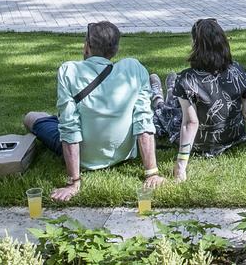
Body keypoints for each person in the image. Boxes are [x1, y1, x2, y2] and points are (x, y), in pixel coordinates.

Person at [24, 21, 164, 199]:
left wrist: (73, 182)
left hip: (85, 158)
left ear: (87, 46)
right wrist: (152, 173)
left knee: (31, 117)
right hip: (123, 154)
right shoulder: (134, 69)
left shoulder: (69, 71)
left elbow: (69, 128)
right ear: (116, 50)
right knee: (60, 120)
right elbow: (143, 120)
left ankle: (52, 120)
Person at [151, 19, 246, 181]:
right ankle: (171, 92)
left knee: (166, 114)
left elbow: (190, 123)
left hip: (200, 143)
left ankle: (160, 99)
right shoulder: (238, 71)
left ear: (196, 44)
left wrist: (180, 167)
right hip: (233, 138)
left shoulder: (187, 78)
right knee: (181, 106)